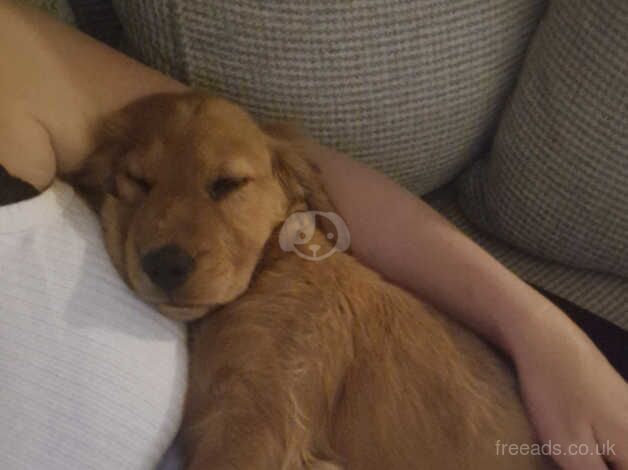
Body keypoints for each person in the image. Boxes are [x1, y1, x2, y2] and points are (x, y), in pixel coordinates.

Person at [0, 2, 625, 470]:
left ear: (298, 196)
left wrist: (540, 331)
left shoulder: (292, 294)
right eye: (138, 184)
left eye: (226, 187)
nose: (173, 235)